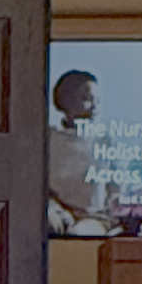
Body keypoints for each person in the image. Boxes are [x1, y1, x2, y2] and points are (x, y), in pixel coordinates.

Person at [47, 65, 110, 231]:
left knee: (79, 234)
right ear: (66, 101)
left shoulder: (104, 140)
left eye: (98, 100)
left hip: (95, 218)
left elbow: (116, 191)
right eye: (87, 99)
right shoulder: (49, 139)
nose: (94, 106)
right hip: (57, 212)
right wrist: (60, 212)